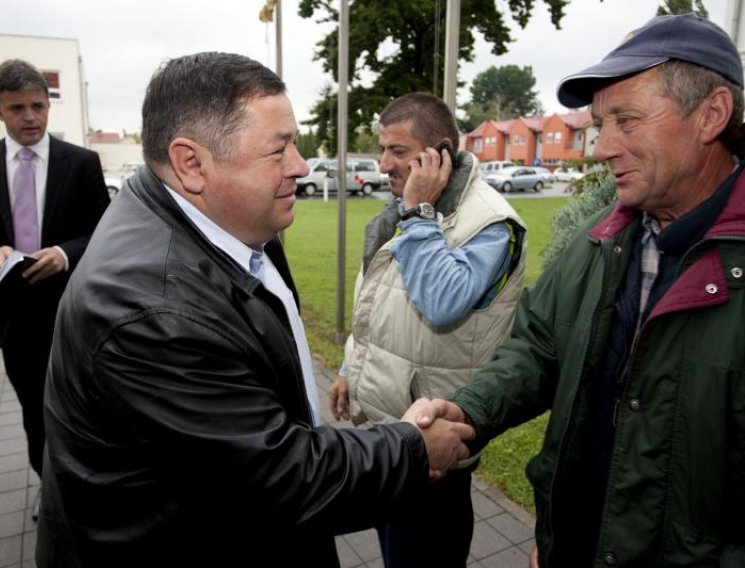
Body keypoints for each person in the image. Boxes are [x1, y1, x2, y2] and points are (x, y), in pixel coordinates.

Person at [36, 52, 474, 568]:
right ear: (191, 163)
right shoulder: (154, 310)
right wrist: (415, 449)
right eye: (279, 149)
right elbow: (282, 478)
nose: (301, 166)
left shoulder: (226, 220)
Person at [416, 13, 745, 568]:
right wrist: (469, 413)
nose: (602, 147)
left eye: (627, 120)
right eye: (600, 123)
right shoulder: (605, 237)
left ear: (711, 114)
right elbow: (539, 348)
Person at [327, 92, 527, 567]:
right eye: (382, 150)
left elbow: (442, 303)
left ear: (439, 153)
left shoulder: (489, 222)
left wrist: (419, 213)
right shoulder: (402, 208)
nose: (383, 164)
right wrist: (347, 367)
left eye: (397, 151)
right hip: (390, 441)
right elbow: (375, 303)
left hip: (434, 452)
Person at [0, 58, 109, 518]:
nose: (30, 117)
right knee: (33, 410)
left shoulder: (81, 163)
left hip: (72, 311)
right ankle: (53, 492)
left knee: (84, 406)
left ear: (48, 106)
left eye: (38, 106)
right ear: (1, 110)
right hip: (14, 319)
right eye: (17, 107)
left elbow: (103, 231)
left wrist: (64, 254)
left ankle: (92, 485)